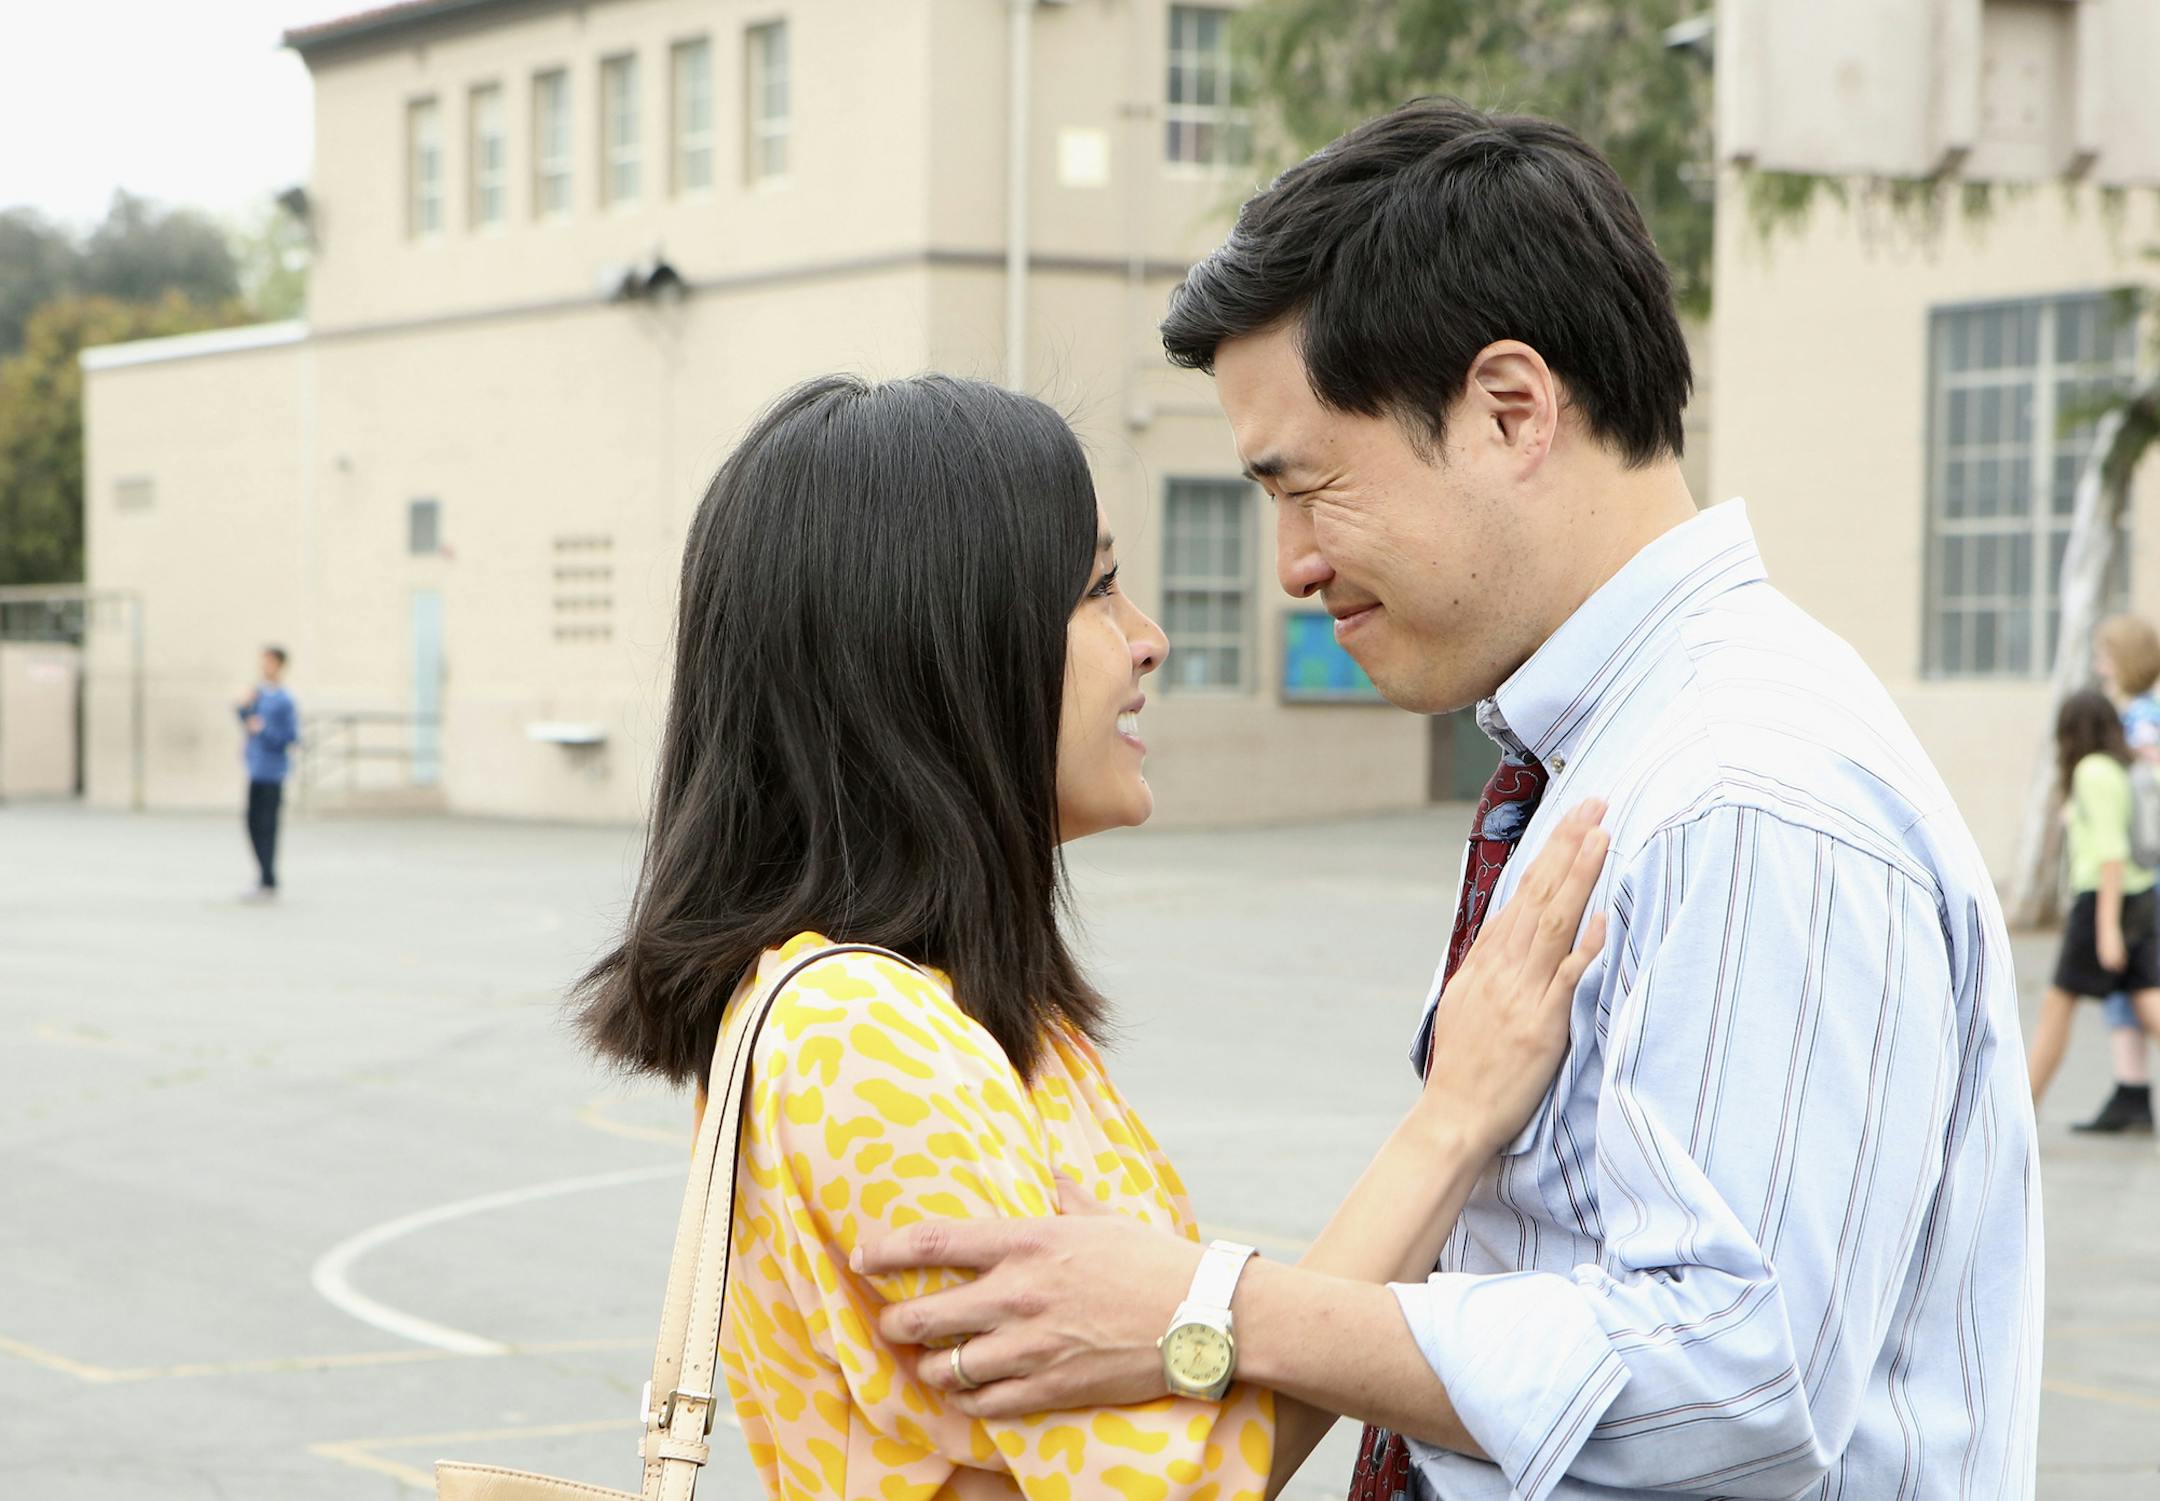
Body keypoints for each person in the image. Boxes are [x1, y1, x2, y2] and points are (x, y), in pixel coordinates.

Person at [860, 98, 2041, 1501]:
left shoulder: (1746, 792)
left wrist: (1208, 1308)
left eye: (1306, 487)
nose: (1291, 564)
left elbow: (1737, 1375)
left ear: (1511, 410)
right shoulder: (1606, 756)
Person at [570, 373, 1607, 1500]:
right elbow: (1187, 1481)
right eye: (1099, 592)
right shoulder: (860, 1037)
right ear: (940, 647)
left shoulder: (960, 1008)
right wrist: (1449, 1125)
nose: (1148, 641)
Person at [2026, 689, 2160, 1110]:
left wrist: (2105, 931)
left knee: (2056, 1005)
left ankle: (2021, 1112)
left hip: (2105, 901)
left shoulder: (2092, 772)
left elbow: (2110, 854)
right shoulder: (2120, 767)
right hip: (2137, 898)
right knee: (2149, 1001)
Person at [2076, 614, 2160, 1132]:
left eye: (2107, 652)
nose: (2098, 662)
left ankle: (2131, 1095)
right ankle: (2131, 1093)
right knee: (2127, 984)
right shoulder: (2135, 713)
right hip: (2138, 869)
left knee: (2139, 979)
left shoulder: (2140, 719)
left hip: (2140, 871)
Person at [236, 645, 297, 901]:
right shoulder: (259, 693)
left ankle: (269, 879)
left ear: (280, 665)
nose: (265, 666)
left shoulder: (284, 700)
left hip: (273, 772)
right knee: (251, 823)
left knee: (268, 825)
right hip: (255, 768)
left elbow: (290, 737)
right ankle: (262, 875)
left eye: (269, 662)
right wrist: (244, 707)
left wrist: (263, 730)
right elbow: (246, 719)